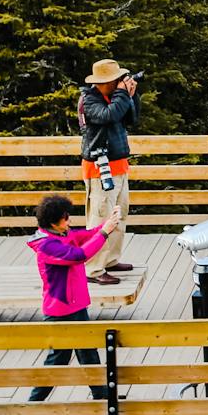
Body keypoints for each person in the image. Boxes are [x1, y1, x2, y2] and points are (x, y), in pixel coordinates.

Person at [27, 194, 124, 402]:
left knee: (89, 354)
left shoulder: (63, 233)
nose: (69, 221)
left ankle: (102, 396)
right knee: (57, 361)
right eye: (65, 218)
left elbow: (87, 236)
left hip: (77, 306)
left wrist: (108, 225)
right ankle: (34, 402)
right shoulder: (47, 246)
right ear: (53, 222)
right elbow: (79, 256)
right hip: (60, 312)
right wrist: (105, 233)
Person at [79, 57, 139, 285]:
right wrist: (123, 95)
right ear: (105, 81)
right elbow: (108, 115)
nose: (119, 83)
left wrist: (132, 96)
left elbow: (131, 118)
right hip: (99, 168)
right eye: (117, 80)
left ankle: (110, 259)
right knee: (101, 217)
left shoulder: (114, 96)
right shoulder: (89, 99)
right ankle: (93, 268)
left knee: (119, 214)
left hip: (119, 164)